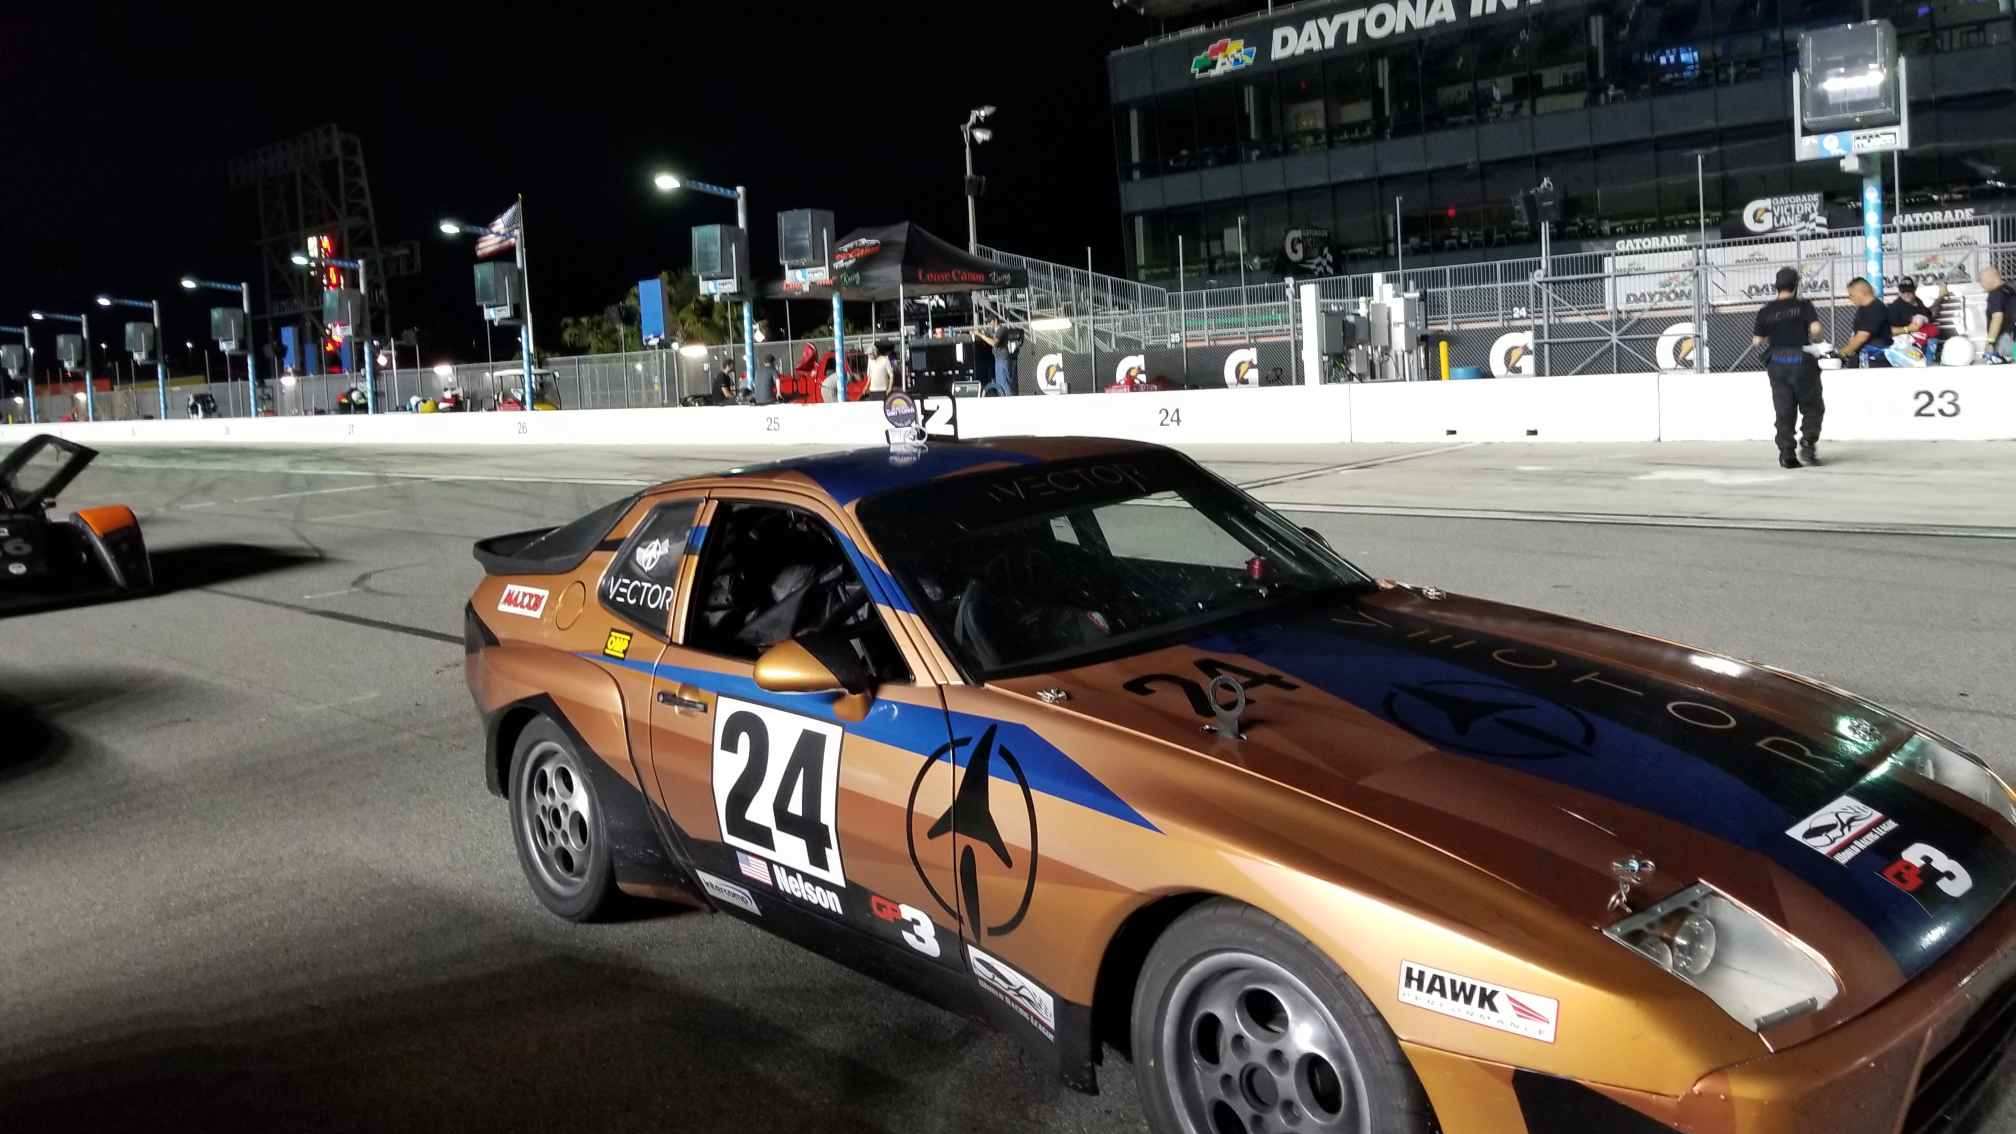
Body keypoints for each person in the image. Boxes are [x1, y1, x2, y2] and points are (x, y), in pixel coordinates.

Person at [1750, 266, 1826, 469]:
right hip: (1800, 359)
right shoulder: (1803, 305)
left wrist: (1773, 332)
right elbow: (1816, 329)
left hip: (1777, 361)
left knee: (1784, 408)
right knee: (1812, 405)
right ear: (1795, 285)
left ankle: (1786, 453)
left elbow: (1757, 341)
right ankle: (1808, 442)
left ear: (1776, 286)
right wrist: (1818, 338)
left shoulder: (1765, 310)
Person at [1839, 277, 1893, 368]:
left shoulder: (1875, 308)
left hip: (1874, 360)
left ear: (1861, 292)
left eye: (1851, 294)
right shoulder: (1863, 309)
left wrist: (1842, 353)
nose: (1850, 298)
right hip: (1864, 358)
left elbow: (1862, 337)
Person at [1887, 277, 1941, 362]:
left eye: (1909, 291)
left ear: (1914, 290)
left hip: (1925, 340)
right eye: (1903, 291)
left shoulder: (1918, 302)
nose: (1907, 294)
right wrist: (1908, 329)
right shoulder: (1895, 307)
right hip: (1906, 345)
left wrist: (1940, 298)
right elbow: (1887, 330)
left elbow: (1929, 315)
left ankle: (1930, 361)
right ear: (1899, 292)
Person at [1981, 266, 2016, 361]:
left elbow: (1997, 318)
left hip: (2005, 341)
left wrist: (1990, 342)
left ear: (1991, 278)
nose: (1982, 284)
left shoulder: (1995, 294)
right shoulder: (2011, 291)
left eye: (1982, 280)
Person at [976, 320, 1016, 396]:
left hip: (1003, 359)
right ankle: (1002, 397)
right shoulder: (994, 331)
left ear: (995, 321)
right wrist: (980, 333)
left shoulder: (1002, 329)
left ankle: (1009, 399)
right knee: (1000, 384)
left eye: (990, 322)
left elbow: (994, 343)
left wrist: (981, 335)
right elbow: (988, 335)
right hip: (998, 359)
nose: (989, 324)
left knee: (1004, 383)